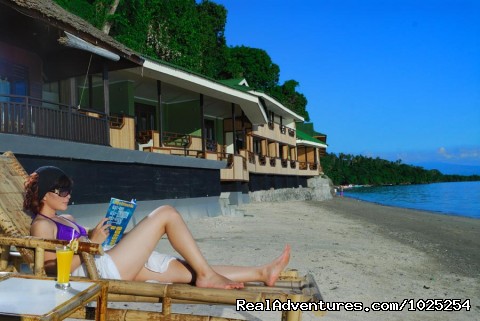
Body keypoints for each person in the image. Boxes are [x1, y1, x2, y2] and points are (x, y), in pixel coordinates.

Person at [23, 166, 290, 289]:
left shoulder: (66, 219)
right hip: (95, 271)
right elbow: (50, 270)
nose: (68, 194)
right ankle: (212, 277)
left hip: (107, 258)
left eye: (69, 189)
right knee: (166, 214)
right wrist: (91, 243)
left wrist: (112, 237)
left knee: (192, 270)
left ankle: (262, 272)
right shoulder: (42, 225)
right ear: (45, 194)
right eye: (62, 189)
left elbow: (86, 246)